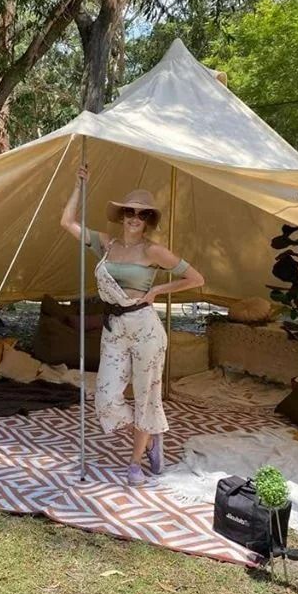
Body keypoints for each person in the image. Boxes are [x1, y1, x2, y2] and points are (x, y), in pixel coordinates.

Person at [60, 164, 205, 485]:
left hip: (145, 327)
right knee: (106, 398)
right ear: (122, 214)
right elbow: (66, 222)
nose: (134, 218)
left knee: (146, 396)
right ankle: (152, 439)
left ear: (148, 220)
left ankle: (136, 461)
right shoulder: (106, 244)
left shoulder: (153, 251)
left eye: (141, 215)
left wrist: (157, 290)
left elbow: (195, 278)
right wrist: (79, 186)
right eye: (130, 212)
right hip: (114, 328)